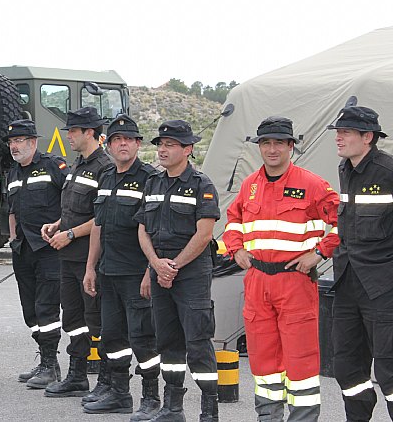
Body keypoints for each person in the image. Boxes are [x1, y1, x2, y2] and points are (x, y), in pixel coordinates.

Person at [223, 116, 339, 421]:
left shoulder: (313, 185)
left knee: (300, 361)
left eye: (278, 143)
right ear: (259, 147)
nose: (271, 149)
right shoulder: (250, 186)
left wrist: (319, 253)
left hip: (295, 283)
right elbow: (232, 220)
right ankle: (269, 417)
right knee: (263, 362)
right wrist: (236, 249)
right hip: (258, 282)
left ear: (290, 146)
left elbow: (346, 222)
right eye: (265, 143)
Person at [135, 120, 220, 421]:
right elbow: (143, 229)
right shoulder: (153, 183)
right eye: (160, 144)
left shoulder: (202, 185)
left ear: (188, 150)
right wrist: (156, 264)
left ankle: (209, 411)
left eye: (170, 145)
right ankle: (173, 407)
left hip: (192, 275)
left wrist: (174, 265)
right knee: (168, 341)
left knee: (197, 341)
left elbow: (204, 234)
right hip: (160, 272)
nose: (162, 150)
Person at [81, 114, 160, 419]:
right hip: (108, 272)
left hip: (136, 273)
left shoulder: (150, 179)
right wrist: (90, 267)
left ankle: (152, 398)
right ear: (109, 145)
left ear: (138, 144)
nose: (123, 144)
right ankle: (119, 393)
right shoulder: (106, 177)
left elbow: (155, 231)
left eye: (129, 139)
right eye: (117, 140)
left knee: (143, 339)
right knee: (112, 337)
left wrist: (149, 272)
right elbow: (99, 226)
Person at [41, 107, 113, 399]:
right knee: (72, 318)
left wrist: (70, 234)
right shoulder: (78, 165)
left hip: (89, 257)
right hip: (67, 257)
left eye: (72, 132)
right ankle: (77, 375)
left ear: (89, 133)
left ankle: (107, 381)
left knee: (98, 320)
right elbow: (74, 209)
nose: (68, 136)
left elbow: (101, 217)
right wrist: (58, 224)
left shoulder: (105, 168)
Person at [327, 106, 393, 421]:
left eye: (346, 132)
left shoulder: (387, 172)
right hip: (347, 285)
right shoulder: (345, 169)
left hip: (383, 288)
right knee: (347, 366)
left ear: (367, 137)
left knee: (390, 369)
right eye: (338, 132)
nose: (338, 138)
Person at [5, 119, 69, 389]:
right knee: (30, 310)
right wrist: (11, 239)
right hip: (23, 249)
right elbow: (11, 210)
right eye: (11, 142)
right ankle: (48, 362)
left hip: (49, 250)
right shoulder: (12, 173)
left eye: (19, 141)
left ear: (33, 142)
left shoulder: (54, 165)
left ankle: (49, 364)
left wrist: (64, 231)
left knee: (47, 308)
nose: (14, 147)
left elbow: (73, 202)